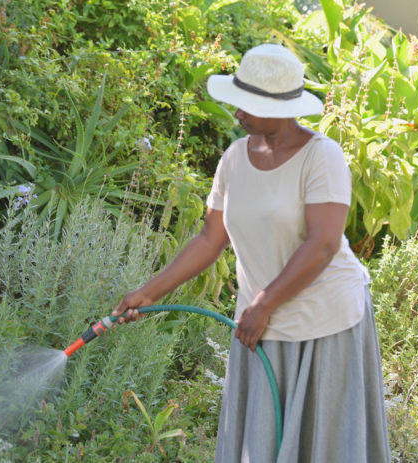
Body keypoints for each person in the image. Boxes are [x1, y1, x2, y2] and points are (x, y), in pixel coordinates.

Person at [113, 43, 391, 462]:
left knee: (326, 446)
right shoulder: (234, 159)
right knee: (259, 443)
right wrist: (149, 292)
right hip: (260, 323)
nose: (236, 112)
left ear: (281, 108)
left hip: (325, 320)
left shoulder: (322, 157)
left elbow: (324, 244)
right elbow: (210, 237)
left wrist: (263, 305)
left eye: (247, 104)